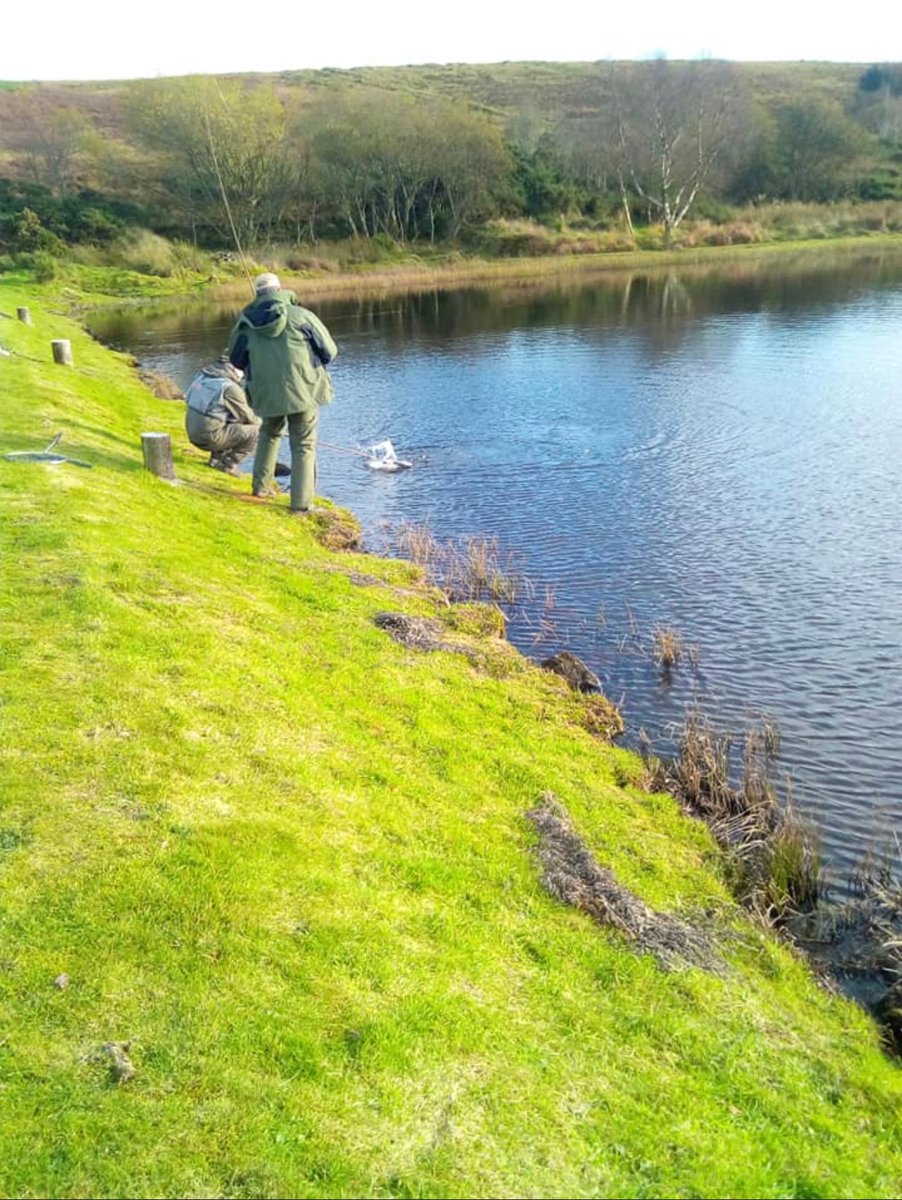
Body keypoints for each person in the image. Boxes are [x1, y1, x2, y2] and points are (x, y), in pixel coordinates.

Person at [228, 272, 338, 513]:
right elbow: (329, 351)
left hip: (266, 393)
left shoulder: (245, 323)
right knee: (304, 445)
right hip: (304, 390)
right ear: (279, 290)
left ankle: (261, 488)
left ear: (257, 294)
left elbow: (235, 360)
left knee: (269, 433)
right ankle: (301, 504)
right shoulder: (302, 316)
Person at [184, 354, 259, 475]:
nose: (244, 374)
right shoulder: (229, 388)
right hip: (208, 437)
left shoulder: (202, 377)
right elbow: (248, 418)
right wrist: (267, 425)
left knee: (228, 420)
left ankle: (215, 460)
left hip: (192, 433)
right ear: (234, 368)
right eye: (243, 369)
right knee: (256, 432)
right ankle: (228, 464)